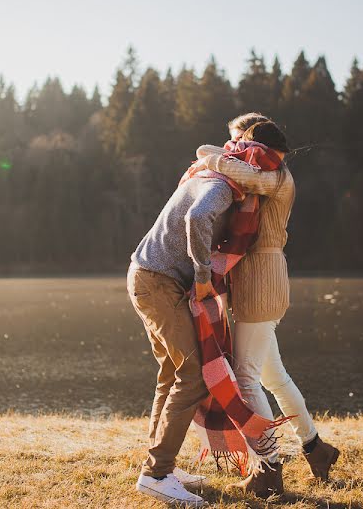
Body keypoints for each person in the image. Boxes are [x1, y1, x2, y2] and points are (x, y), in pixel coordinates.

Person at [191, 114, 340, 498]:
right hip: (258, 280)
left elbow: (224, 164)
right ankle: (316, 448)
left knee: (245, 377)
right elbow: (212, 153)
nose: (237, 151)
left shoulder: (275, 177)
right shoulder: (259, 168)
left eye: (241, 142)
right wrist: (222, 152)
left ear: (257, 143)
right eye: (234, 145)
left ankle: (268, 469)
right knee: (274, 378)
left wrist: (215, 159)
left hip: (261, 281)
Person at [127, 163, 235, 507]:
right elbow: (197, 217)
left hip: (145, 276)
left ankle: (160, 466)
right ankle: (157, 474)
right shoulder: (223, 185)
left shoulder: (203, 176)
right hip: (159, 282)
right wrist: (203, 274)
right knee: (193, 377)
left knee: (172, 373)